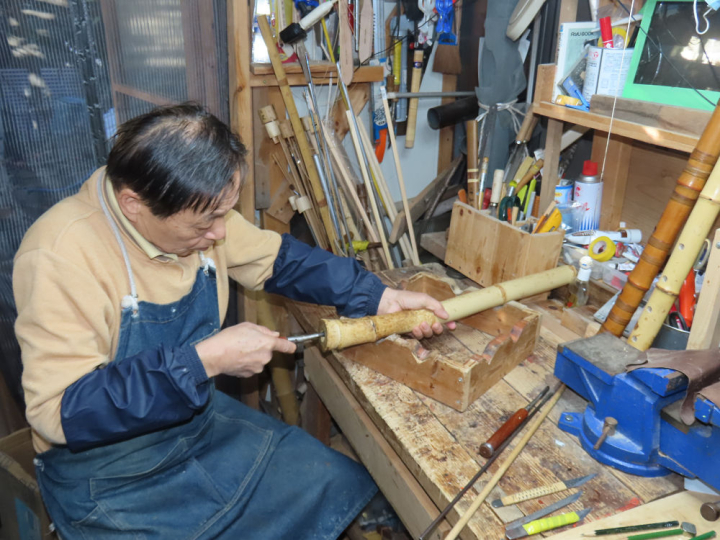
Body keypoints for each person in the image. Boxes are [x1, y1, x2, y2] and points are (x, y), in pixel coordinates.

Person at [13, 103, 453, 539]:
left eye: (223, 214)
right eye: (204, 224)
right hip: (107, 473)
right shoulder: (59, 254)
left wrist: (378, 296)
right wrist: (203, 362)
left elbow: (280, 260)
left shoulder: (197, 212)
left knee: (332, 481)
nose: (220, 234)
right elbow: (59, 412)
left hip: (196, 428)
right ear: (133, 204)